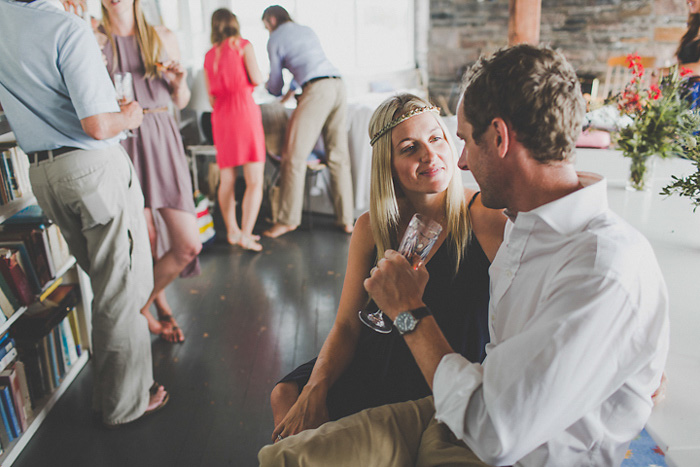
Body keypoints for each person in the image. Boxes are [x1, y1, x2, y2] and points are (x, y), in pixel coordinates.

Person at [259, 45, 670, 466]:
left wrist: (407, 311)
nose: (456, 160)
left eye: (458, 140)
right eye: (410, 148)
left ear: (498, 138)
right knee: (286, 451)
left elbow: (493, 429)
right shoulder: (527, 227)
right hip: (460, 402)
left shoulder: (597, 264)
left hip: (495, 436)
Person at [269, 94, 506, 441]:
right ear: (388, 164)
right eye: (410, 147)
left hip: (441, 363)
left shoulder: (486, 218)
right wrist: (314, 388)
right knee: (286, 395)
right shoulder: (372, 227)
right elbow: (348, 325)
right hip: (379, 356)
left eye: (436, 138)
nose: (429, 154)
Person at [0, 0, 168, 426]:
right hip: (90, 169)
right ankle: (122, 404)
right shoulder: (66, 27)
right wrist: (129, 115)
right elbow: (98, 124)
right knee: (122, 288)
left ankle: (120, 387)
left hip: (43, 172)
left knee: (105, 279)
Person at [99, 0, 202, 343]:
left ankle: (137, 308)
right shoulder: (93, 37)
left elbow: (182, 100)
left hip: (161, 135)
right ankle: (159, 306)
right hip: (122, 140)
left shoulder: (162, 36)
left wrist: (179, 81)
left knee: (188, 244)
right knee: (145, 241)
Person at [260, 5, 355, 238]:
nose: (267, 30)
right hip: (338, 85)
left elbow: (275, 84)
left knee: (293, 156)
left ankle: (287, 220)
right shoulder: (306, 30)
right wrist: (293, 89)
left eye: (265, 26)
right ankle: (346, 220)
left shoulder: (275, 39)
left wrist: (271, 88)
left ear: (272, 19)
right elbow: (307, 64)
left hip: (317, 91)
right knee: (338, 157)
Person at [204, 8, 266, 252]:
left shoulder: (209, 55)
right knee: (254, 180)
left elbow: (211, 99)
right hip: (244, 114)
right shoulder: (243, 45)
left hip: (221, 117)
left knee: (226, 178)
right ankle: (247, 234)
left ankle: (232, 230)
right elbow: (258, 78)